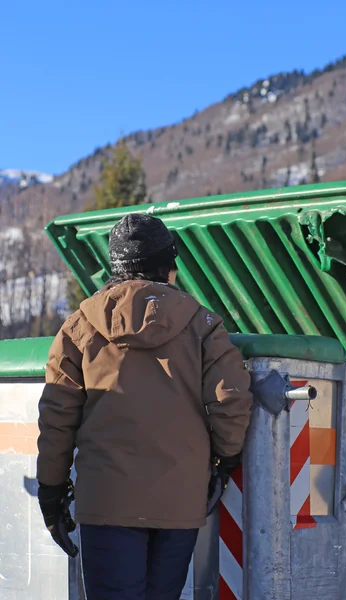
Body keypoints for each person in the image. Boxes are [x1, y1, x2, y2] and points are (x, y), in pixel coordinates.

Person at [36, 213, 253, 600]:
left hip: (106, 502)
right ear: (169, 267)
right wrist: (224, 461)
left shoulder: (78, 328)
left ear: (115, 268)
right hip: (179, 501)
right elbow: (231, 398)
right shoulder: (202, 323)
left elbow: (57, 418)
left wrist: (51, 491)